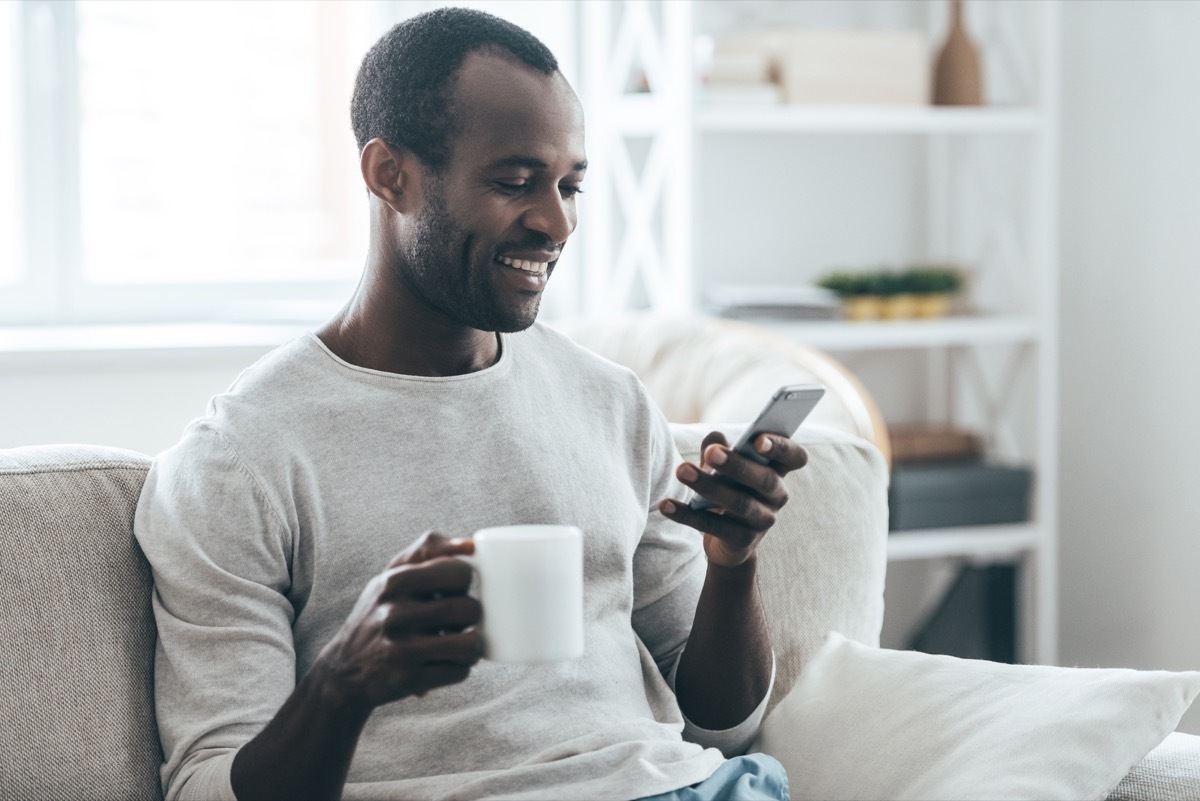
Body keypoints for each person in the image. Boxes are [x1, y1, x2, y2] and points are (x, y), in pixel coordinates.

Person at [134, 8, 807, 801]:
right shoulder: (239, 457)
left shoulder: (611, 403)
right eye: (515, 182)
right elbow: (207, 788)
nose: (557, 223)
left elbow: (719, 725)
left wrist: (733, 567)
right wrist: (341, 683)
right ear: (391, 175)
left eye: (570, 185)